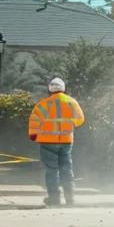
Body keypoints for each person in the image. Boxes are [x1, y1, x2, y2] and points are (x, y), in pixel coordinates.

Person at [27, 77, 86, 206]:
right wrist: (70, 124)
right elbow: (80, 119)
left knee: (51, 170)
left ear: (50, 90)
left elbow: (34, 120)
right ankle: (70, 198)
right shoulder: (72, 102)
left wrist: (33, 135)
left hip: (47, 142)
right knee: (66, 169)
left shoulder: (43, 104)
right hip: (66, 141)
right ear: (64, 89)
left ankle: (54, 198)